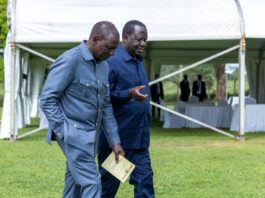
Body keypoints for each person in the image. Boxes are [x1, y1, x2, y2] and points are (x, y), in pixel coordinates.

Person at [40, 21, 125, 198]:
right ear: (95, 39)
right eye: (109, 48)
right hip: (73, 134)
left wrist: (115, 141)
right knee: (92, 183)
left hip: (91, 137)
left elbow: (106, 105)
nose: (112, 53)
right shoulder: (70, 60)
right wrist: (64, 131)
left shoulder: (104, 65)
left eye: (114, 49)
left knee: (74, 184)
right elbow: (47, 99)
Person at [98, 20, 155, 198]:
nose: (143, 44)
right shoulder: (112, 61)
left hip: (139, 142)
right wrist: (128, 94)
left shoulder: (138, 61)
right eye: (139, 39)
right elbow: (102, 98)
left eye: (145, 40)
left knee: (144, 183)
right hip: (117, 143)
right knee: (107, 189)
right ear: (125, 38)